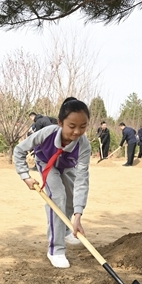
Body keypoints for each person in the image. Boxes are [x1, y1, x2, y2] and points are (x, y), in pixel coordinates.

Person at [14, 97, 91, 268]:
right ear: (60, 123)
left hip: (67, 167)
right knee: (58, 197)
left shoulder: (84, 145)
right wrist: (25, 175)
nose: (77, 132)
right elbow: (19, 150)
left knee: (70, 199)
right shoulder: (46, 133)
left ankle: (65, 230)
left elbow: (82, 180)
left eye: (83, 126)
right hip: (47, 163)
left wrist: (78, 217)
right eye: (72, 126)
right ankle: (56, 250)